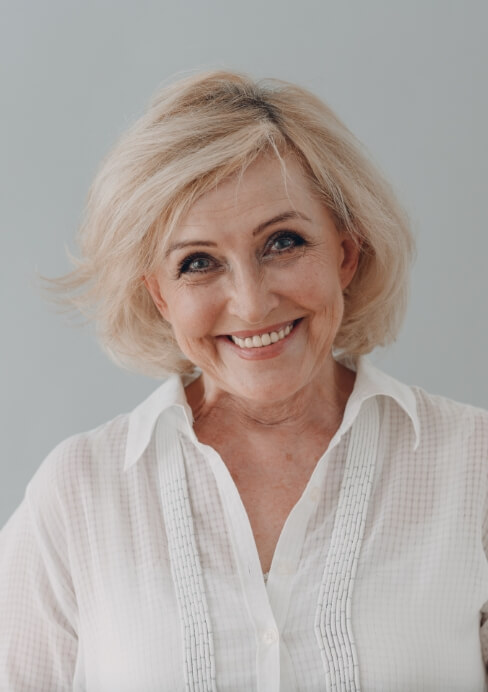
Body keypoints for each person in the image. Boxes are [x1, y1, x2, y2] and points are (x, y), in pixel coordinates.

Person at [0, 70, 487, 692]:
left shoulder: (476, 465)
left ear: (345, 253)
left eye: (283, 242)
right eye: (197, 262)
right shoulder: (78, 496)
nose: (252, 304)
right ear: (159, 295)